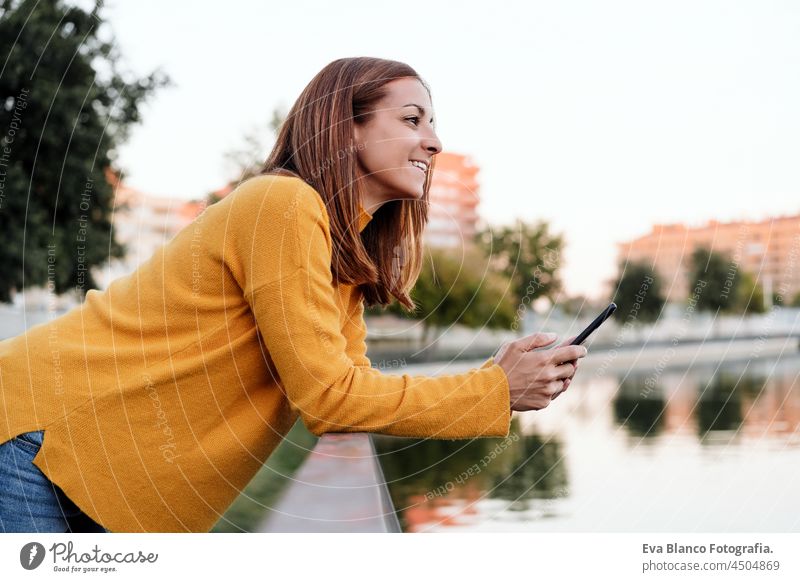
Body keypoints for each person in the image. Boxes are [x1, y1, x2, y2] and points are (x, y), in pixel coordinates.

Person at [0, 56, 587, 533]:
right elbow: (328, 398)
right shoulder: (283, 204)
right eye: (413, 120)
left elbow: (347, 393)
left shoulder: (341, 261)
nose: (434, 143)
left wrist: (494, 384)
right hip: (41, 431)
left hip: (88, 467)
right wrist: (493, 388)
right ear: (345, 125)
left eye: (432, 124)